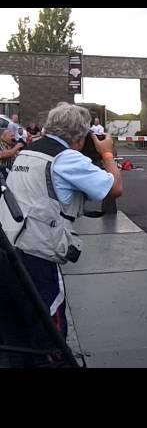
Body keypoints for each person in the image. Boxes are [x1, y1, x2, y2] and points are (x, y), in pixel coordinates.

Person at [0, 102, 123, 365]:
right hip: (37, 255)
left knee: (14, 339)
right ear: (80, 137)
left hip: (8, 249)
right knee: (50, 338)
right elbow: (114, 189)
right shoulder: (66, 158)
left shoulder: (27, 152)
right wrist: (108, 154)